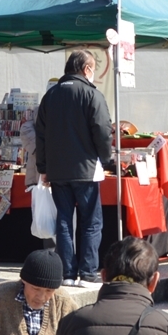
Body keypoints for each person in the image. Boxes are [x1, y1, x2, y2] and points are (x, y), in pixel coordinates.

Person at [34, 49, 115, 286]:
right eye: (93, 69)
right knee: (91, 221)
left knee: (64, 220)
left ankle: (67, 273)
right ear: (87, 69)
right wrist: (106, 158)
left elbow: (41, 135)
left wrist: (43, 167)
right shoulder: (92, 95)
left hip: (58, 170)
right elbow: (102, 130)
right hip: (86, 168)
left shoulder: (50, 96)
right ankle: (88, 272)